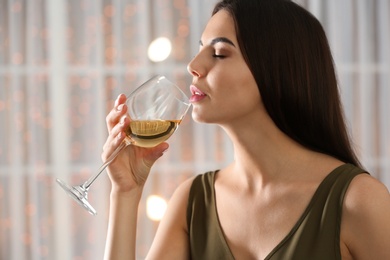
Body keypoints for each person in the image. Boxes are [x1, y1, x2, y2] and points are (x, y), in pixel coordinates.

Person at [102, 0, 390, 259]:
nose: (193, 65)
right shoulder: (192, 202)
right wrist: (125, 193)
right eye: (200, 49)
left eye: (218, 53)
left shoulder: (359, 201)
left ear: (277, 69)